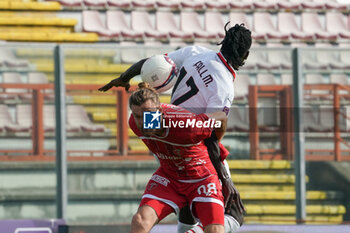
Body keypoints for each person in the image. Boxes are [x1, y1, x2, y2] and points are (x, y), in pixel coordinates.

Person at [99, 23, 252, 233]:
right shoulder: (224, 86)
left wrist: (124, 78)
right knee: (234, 216)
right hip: (186, 138)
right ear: (245, 55)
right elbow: (212, 133)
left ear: (222, 42)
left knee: (186, 207)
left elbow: (153, 64)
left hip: (159, 129)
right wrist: (225, 180)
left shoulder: (196, 52)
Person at [129, 82, 227, 233]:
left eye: (148, 114)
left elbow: (221, 117)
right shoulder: (134, 124)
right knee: (139, 221)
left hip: (201, 177)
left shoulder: (186, 125)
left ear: (160, 110)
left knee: (215, 230)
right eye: (137, 116)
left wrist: (215, 144)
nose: (143, 122)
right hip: (170, 177)